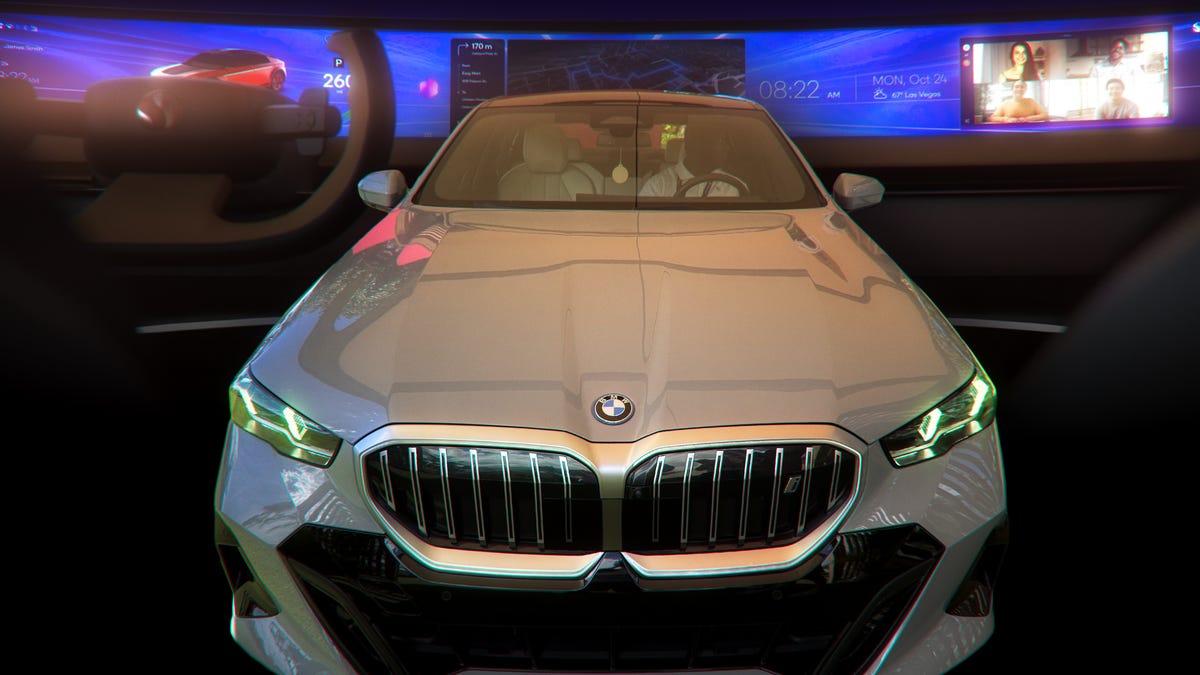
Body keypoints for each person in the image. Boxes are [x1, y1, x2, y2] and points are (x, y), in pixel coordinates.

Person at [639, 120, 744, 197]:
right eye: (722, 140)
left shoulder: (732, 186)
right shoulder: (660, 184)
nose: (727, 147)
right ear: (698, 143)